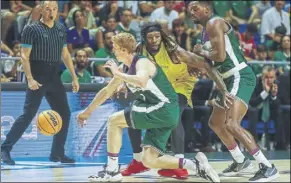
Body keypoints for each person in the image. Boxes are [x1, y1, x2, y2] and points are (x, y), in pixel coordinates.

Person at [77, 32, 220, 182]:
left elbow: (141, 81)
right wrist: (87, 112)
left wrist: (118, 74)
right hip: (163, 112)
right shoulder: (124, 68)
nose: (113, 51)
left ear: (125, 50)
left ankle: (112, 171)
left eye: (116, 48)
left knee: (114, 121)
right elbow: (106, 91)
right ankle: (196, 165)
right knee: (149, 160)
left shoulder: (141, 63)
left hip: (163, 108)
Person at [120, 22, 229, 179]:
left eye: (157, 36)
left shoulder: (172, 49)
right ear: (144, 38)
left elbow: (203, 64)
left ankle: (179, 163)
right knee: (131, 114)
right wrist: (123, 84)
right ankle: (138, 161)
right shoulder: (139, 49)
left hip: (180, 85)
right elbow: (126, 66)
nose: (154, 40)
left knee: (174, 115)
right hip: (158, 88)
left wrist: (223, 89)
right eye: (150, 37)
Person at [185, 1, 279, 182]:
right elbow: (205, 59)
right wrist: (193, 63)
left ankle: (267, 166)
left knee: (232, 124)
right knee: (215, 122)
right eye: (190, 10)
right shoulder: (204, 31)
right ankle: (240, 160)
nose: (192, 13)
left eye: (195, 9)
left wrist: (202, 51)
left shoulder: (215, 22)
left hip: (239, 76)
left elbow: (219, 56)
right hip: (226, 79)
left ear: (207, 9)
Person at [1, 1, 79, 165]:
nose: (52, 12)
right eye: (48, 9)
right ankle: (5, 149)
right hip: (37, 74)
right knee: (28, 114)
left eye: (55, 9)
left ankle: (57, 153)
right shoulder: (31, 29)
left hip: (54, 75)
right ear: (42, 10)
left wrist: (74, 76)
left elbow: (65, 54)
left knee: (64, 113)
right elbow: (24, 55)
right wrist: (30, 78)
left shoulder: (60, 29)